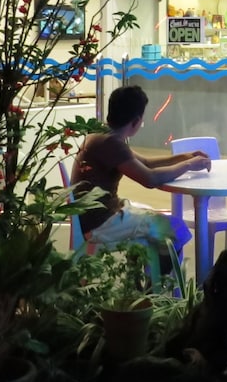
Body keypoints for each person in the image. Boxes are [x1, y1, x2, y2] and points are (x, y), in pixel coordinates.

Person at [71, 84, 212, 255]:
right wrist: (189, 165)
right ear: (136, 121)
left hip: (94, 217)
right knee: (177, 229)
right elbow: (150, 179)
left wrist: (185, 157)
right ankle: (163, 273)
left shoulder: (102, 134)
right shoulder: (111, 143)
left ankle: (149, 269)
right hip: (101, 223)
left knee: (156, 224)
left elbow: (145, 162)